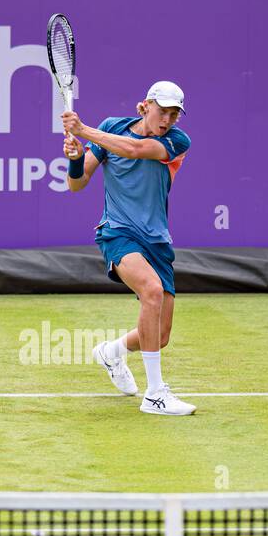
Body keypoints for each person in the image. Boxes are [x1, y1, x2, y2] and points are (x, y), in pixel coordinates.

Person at [61, 81, 195, 416]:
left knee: (160, 336)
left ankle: (112, 351)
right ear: (146, 105)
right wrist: (76, 159)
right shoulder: (112, 128)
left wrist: (84, 130)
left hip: (157, 241)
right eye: (162, 111)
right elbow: (76, 184)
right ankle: (155, 394)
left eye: (174, 114)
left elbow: (134, 150)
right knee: (150, 291)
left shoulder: (177, 141)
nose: (167, 119)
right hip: (118, 233)